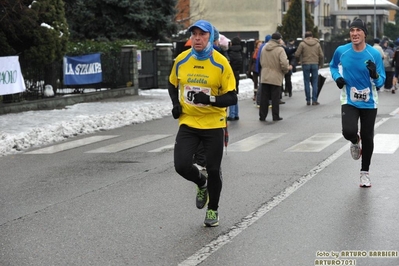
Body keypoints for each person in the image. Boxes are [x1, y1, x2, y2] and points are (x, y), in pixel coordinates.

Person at [168, 19, 237, 227]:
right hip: (188, 122)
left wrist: (210, 100)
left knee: (214, 169)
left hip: (213, 123)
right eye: (194, 34)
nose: (197, 38)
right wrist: (176, 104)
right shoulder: (181, 59)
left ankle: (213, 210)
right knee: (181, 165)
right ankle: (201, 182)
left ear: (211, 38)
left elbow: (232, 97)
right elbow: (172, 83)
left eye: (202, 35)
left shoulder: (220, 63)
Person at [329, 18, 385, 187]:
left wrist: (374, 75)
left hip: (369, 101)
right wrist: (337, 77)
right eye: (352, 30)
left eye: (358, 30)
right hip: (349, 99)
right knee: (348, 131)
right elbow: (332, 66)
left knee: (368, 137)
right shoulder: (342, 51)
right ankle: (354, 140)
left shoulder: (373, 54)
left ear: (364, 34)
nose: (354, 33)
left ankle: (364, 173)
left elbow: (381, 81)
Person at [258, 32, 290, 122]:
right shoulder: (280, 50)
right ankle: (275, 116)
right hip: (276, 76)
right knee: (275, 98)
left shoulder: (264, 48)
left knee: (264, 98)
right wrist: (286, 70)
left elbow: (261, 61)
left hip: (265, 76)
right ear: (279, 40)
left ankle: (262, 116)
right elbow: (284, 63)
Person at [295, 31, 324, 106]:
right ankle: (314, 100)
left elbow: (297, 54)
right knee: (315, 82)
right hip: (315, 64)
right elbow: (321, 55)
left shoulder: (302, 44)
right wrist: (321, 64)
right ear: (312, 36)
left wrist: (299, 60)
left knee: (306, 82)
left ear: (305, 36)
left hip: (305, 64)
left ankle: (308, 100)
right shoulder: (317, 44)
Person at [227, 36, 243, 121]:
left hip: (231, 75)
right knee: (235, 93)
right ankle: (236, 113)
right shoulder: (240, 52)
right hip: (237, 74)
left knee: (230, 94)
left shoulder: (230, 52)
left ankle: (232, 114)